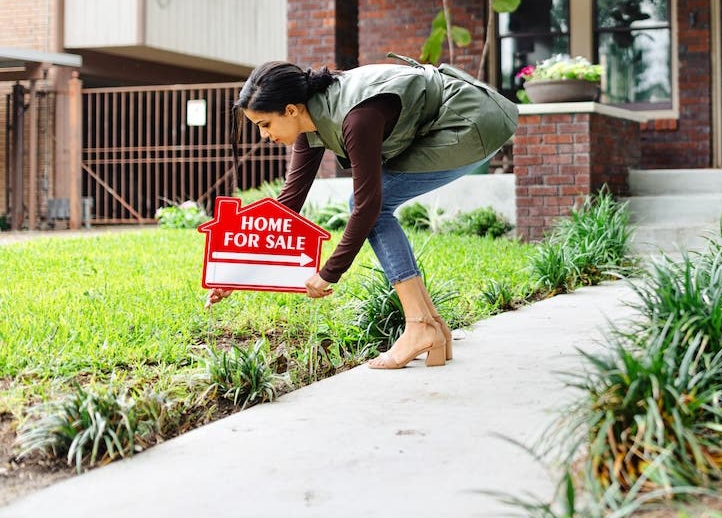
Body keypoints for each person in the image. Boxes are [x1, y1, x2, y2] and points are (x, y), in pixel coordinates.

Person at [207, 56, 519, 370]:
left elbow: (368, 207)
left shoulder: (357, 119)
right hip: (454, 119)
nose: (263, 135)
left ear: (290, 110)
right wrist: (237, 274)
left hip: (471, 121)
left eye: (265, 125)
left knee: (368, 206)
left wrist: (330, 272)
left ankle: (420, 325)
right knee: (370, 205)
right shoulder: (311, 120)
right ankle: (431, 325)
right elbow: (287, 206)